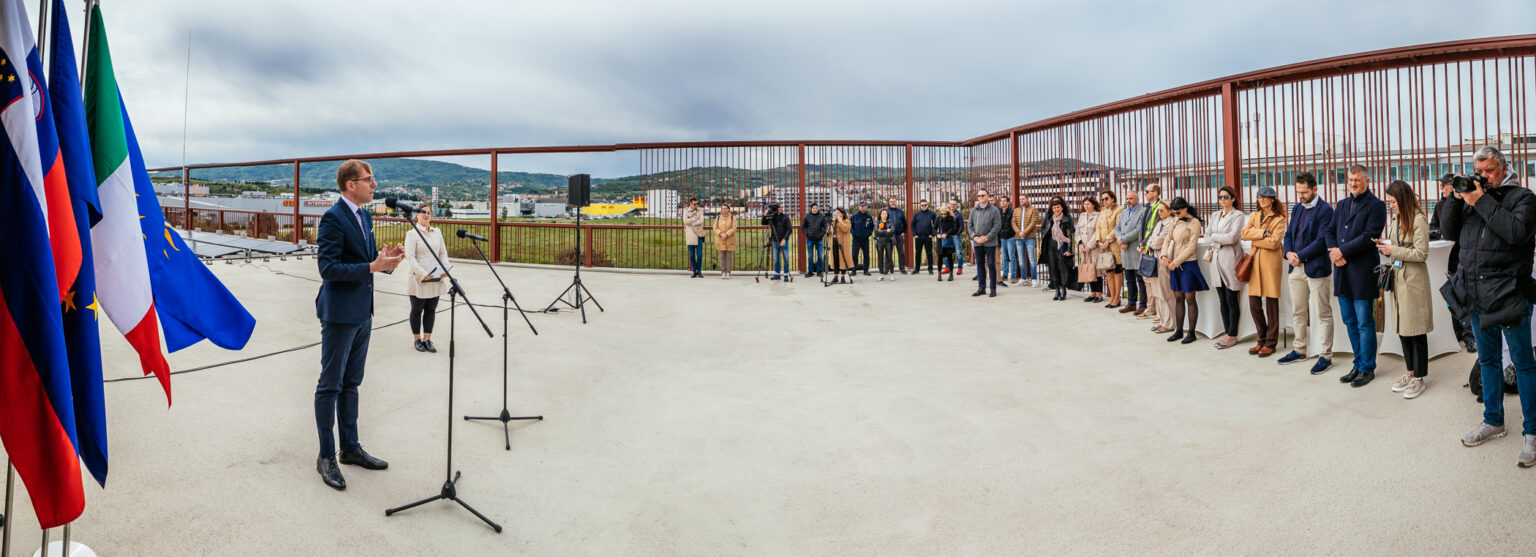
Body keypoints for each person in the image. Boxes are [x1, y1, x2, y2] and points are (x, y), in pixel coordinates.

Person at [1443, 146, 1536, 464]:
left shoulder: (1523, 197)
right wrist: (1455, 201)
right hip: (1476, 295)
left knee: (1523, 365)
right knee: (1488, 361)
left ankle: (1532, 432)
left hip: (1510, 295)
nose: (1482, 177)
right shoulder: (1471, 198)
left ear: (1504, 168)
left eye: (1489, 171)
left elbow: (1516, 233)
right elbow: (1448, 232)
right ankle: (1493, 420)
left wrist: (1479, 199)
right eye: (1477, 171)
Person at [314, 159, 401, 490]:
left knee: (352, 384)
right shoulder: (332, 218)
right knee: (330, 385)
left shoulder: (364, 216)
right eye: (369, 180)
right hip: (339, 314)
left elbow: (366, 262)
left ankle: (350, 448)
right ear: (351, 185)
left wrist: (385, 262)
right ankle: (326, 456)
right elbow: (329, 268)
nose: (374, 185)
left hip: (363, 313)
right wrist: (371, 266)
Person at [1330, 165, 1387, 388]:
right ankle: (1357, 363)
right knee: (1349, 321)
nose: (1353, 183)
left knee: (1364, 322)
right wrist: (1334, 252)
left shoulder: (1377, 206)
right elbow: (1330, 231)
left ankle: (1367, 367)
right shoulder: (1342, 204)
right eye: (1351, 179)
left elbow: (1369, 236)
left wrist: (1342, 251)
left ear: (1367, 180)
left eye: (1357, 180)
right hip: (1342, 270)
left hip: (1362, 272)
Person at [1275, 172, 1337, 375]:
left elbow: (1322, 241)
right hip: (1296, 268)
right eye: (1298, 191)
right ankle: (1300, 349)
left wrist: (1299, 256)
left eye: (1304, 192)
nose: (1300, 195)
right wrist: (1289, 254)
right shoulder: (1298, 208)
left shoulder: (1326, 210)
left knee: (1323, 313)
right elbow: (1289, 234)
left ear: (1315, 189)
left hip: (1316, 268)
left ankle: (1325, 356)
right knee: (1298, 311)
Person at [1377, 180, 1433, 399]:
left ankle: (1419, 377)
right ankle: (1410, 373)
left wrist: (1394, 250)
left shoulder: (1419, 220)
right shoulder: (1396, 218)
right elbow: (1396, 248)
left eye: (1393, 201)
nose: (1391, 205)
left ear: (1403, 199)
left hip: (1413, 281)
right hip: (1398, 278)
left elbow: (1421, 254)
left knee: (1416, 330)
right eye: (1389, 202)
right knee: (1402, 328)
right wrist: (1386, 247)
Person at [1430, 174, 1476, 353]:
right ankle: (1456, 332)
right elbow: (1433, 226)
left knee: (1466, 299)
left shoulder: (1467, 202)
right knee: (1453, 299)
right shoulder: (1440, 205)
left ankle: (1470, 336)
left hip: (1463, 256)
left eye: (1444, 185)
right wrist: (1437, 233)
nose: (1442, 188)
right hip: (1446, 258)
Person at [1240, 186, 1288, 357]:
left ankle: (1271, 342)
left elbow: (1275, 243)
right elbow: (1244, 234)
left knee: (1271, 303)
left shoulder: (1280, 218)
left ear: (1273, 199)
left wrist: (1255, 238)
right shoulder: (1253, 216)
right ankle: (1261, 339)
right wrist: (1263, 234)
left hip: (1270, 263)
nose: (1261, 200)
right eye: (1259, 197)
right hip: (1254, 262)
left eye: (1265, 197)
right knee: (1254, 303)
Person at [1161, 197, 1208, 344]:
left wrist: (1176, 261)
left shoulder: (1194, 223)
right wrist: (1163, 256)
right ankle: (1179, 330)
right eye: (1173, 213)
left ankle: (1192, 332)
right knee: (1178, 298)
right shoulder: (1175, 221)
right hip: (1173, 265)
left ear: (1185, 208)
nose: (1176, 214)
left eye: (1178, 212)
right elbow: (1167, 239)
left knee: (1189, 298)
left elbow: (1191, 247)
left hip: (1187, 264)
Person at [403, 209, 447, 353]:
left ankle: (427, 339)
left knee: (431, 310)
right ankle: (417, 339)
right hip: (419, 278)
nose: (426, 214)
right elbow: (410, 257)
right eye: (423, 212)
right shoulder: (412, 234)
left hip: (435, 276)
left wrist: (444, 269)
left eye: (429, 212)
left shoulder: (437, 232)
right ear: (416, 215)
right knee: (417, 310)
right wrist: (422, 274)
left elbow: (442, 252)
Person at [1207, 186, 1247, 349]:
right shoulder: (1215, 215)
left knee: (1231, 298)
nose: (1222, 200)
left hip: (1230, 259)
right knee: (1222, 298)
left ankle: (1233, 334)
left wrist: (1215, 237)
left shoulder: (1238, 215)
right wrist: (1219, 238)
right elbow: (1207, 236)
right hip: (1216, 260)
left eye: (1226, 197)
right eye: (1220, 197)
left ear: (1232, 198)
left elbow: (1232, 238)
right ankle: (1227, 331)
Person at [1136, 184, 1166, 319]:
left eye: (1147, 191)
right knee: (1147, 280)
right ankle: (1151, 308)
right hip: (1146, 248)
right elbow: (1142, 228)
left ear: (1155, 193)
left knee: (1156, 282)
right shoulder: (1148, 207)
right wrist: (1140, 243)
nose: (1145, 193)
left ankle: (1160, 311)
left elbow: (1154, 229)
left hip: (1154, 248)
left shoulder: (1160, 207)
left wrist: (1143, 243)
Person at [1146, 203, 1177, 333]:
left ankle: (1170, 323)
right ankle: (1162, 319)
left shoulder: (1170, 223)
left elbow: (1159, 241)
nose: (1159, 213)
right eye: (1158, 210)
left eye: (1162, 210)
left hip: (1163, 258)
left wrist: (1152, 243)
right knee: (1157, 292)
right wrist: (1152, 242)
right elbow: (1150, 239)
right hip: (1154, 258)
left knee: (1165, 292)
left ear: (1170, 211)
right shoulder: (1160, 223)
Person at [1115, 190, 1147, 313]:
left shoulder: (1142, 212)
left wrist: (1123, 239)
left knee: (1140, 279)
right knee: (1129, 279)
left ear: (1137, 199)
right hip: (1125, 250)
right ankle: (1131, 303)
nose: (1128, 200)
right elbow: (1117, 228)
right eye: (1127, 198)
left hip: (1135, 249)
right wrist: (1120, 240)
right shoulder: (1124, 212)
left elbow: (1139, 230)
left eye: (1131, 198)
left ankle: (1143, 304)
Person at [969, 189, 1003, 297]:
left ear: (988, 197)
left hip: (990, 242)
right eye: (979, 196)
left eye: (983, 195)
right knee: (979, 264)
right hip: (977, 242)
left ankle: (993, 288)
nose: (980, 197)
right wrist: (974, 237)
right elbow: (969, 226)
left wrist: (987, 237)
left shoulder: (994, 210)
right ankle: (981, 288)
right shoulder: (974, 210)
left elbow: (997, 225)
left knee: (991, 264)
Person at [1042, 196, 1076, 300]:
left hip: (1062, 246)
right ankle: (1056, 289)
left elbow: (1070, 234)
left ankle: (1064, 289)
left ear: (1062, 207)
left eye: (1058, 207)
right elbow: (1044, 229)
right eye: (1054, 207)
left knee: (1063, 268)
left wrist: (1069, 250)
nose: (1056, 209)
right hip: (1051, 246)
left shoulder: (1066, 218)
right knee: (1053, 268)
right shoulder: (1049, 218)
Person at [1095, 190, 1123, 308]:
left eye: (1106, 198)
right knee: (1108, 272)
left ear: (1112, 198)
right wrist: (1099, 241)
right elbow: (1098, 228)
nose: (1104, 201)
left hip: (1114, 245)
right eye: (1102, 199)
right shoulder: (1102, 211)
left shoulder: (1119, 209)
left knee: (1117, 271)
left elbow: (1118, 227)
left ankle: (1117, 297)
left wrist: (1107, 240)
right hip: (1104, 247)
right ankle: (1112, 297)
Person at [1075, 195, 1103, 303]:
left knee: (1096, 271)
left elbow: (1098, 232)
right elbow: (1077, 231)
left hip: (1093, 248)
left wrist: (1089, 245)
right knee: (1088, 271)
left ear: (1093, 204)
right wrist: (1080, 243)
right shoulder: (1082, 215)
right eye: (1085, 204)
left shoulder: (1098, 215)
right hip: (1083, 249)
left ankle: (1099, 294)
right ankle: (1092, 293)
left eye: (1088, 204)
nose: (1086, 206)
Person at [1013, 198, 1041, 286]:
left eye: (1023, 199)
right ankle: (1023, 278)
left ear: (1027, 199)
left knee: (1031, 258)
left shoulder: (1033, 209)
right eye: (1020, 199)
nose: (1021, 200)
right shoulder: (1016, 210)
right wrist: (1019, 232)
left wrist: (1024, 232)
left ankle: (1033, 279)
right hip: (1018, 238)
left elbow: (1033, 222)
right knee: (1021, 259)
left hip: (1029, 237)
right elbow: (1013, 222)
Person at [765, 203, 792, 280]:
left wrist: (784, 239)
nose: (781, 208)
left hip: (784, 241)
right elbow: (764, 222)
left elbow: (789, 229)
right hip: (775, 240)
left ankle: (786, 274)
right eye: (779, 207)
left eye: (782, 207)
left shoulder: (785, 217)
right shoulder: (773, 217)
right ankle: (777, 274)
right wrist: (765, 214)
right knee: (776, 258)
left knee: (785, 258)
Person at [801, 202, 828, 278]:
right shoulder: (807, 216)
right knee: (810, 256)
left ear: (817, 208)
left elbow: (825, 227)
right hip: (810, 239)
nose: (815, 209)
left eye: (816, 208)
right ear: (811, 209)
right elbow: (803, 227)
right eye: (813, 208)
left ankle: (819, 271)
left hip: (819, 239)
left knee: (820, 256)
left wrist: (822, 234)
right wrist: (807, 234)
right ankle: (810, 271)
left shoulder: (822, 217)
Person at [910, 199, 937, 274]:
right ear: (920, 206)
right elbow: (912, 225)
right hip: (918, 237)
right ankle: (917, 269)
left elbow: (936, 225)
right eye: (922, 205)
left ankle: (930, 269)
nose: (924, 206)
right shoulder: (916, 214)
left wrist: (933, 235)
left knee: (929, 253)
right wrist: (914, 234)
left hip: (928, 237)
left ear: (927, 205)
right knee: (918, 253)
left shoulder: (932, 214)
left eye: (925, 205)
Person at [683, 197, 706, 278]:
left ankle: (699, 270)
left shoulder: (700, 210)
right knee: (692, 255)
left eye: (697, 203)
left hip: (698, 234)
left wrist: (692, 223)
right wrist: (695, 219)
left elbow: (701, 220)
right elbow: (685, 221)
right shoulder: (686, 211)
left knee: (699, 255)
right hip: (690, 235)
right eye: (694, 204)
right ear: (690, 204)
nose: (696, 205)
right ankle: (694, 270)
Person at [829, 207, 853, 284]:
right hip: (834, 242)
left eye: (839, 212)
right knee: (835, 260)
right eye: (836, 212)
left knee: (843, 260)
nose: (837, 214)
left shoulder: (847, 221)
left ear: (843, 213)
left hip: (843, 244)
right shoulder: (834, 221)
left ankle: (843, 277)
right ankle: (835, 277)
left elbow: (846, 229)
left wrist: (840, 221)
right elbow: (830, 231)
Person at [713, 204, 738, 279]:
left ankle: (728, 272)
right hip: (720, 239)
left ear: (728, 209)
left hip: (729, 239)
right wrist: (720, 233)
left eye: (725, 208)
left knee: (729, 256)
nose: (723, 210)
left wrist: (726, 234)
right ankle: (723, 272)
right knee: (722, 256)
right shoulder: (718, 217)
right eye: (722, 208)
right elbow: (714, 227)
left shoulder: (732, 217)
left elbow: (734, 228)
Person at [937, 205, 960, 281]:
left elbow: (953, 228)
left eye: (945, 214)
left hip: (948, 240)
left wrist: (946, 234)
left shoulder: (951, 219)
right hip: (940, 241)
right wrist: (937, 234)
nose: (943, 215)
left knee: (949, 257)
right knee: (939, 258)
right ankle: (939, 274)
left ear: (947, 213)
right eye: (942, 214)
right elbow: (934, 228)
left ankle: (951, 274)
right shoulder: (938, 219)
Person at [851, 201, 874, 276]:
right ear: (859, 207)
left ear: (866, 207)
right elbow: (851, 227)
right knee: (854, 255)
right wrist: (854, 234)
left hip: (865, 239)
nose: (862, 207)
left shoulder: (869, 217)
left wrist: (868, 234)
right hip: (856, 239)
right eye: (861, 206)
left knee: (866, 255)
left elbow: (871, 227)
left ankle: (866, 270)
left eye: (864, 206)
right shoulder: (854, 216)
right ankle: (854, 270)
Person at [997, 196, 1016, 287]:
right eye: (1001, 201)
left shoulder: (1012, 212)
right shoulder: (999, 212)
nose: (1002, 203)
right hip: (1002, 237)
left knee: (1012, 256)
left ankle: (1013, 274)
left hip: (1010, 237)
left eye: (1004, 201)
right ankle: (1005, 274)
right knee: (1004, 256)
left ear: (1008, 202)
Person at [888, 200, 909, 275]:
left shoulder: (900, 211)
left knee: (901, 252)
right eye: (891, 201)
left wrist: (903, 231)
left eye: (894, 201)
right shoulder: (886, 211)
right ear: (889, 202)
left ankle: (902, 268)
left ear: (896, 202)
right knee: (888, 252)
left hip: (899, 234)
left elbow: (905, 223)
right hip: (889, 235)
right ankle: (888, 268)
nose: (893, 203)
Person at [875, 208, 897, 280]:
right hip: (880, 242)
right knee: (880, 258)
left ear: (887, 215)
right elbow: (877, 231)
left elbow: (893, 230)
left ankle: (892, 274)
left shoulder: (890, 222)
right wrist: (886, 231)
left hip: (888, 241)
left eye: (885, 214)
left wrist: (882, 231)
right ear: (880, 215)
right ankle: (881, 274)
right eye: (883, 214)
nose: (884, 215)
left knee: (889, 257)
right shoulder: (877, 222)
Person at [947, 199, 966, 275]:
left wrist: (957, 234)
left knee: (958, 253)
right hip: (948, 236)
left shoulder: (959, 214)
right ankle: (948, 268)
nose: (952, 206)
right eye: (951, 204)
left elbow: (961, 226)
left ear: (956, 206)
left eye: (954, 204)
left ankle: (959, 268)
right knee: (947, 253)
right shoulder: (947, 213)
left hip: (955, 236)